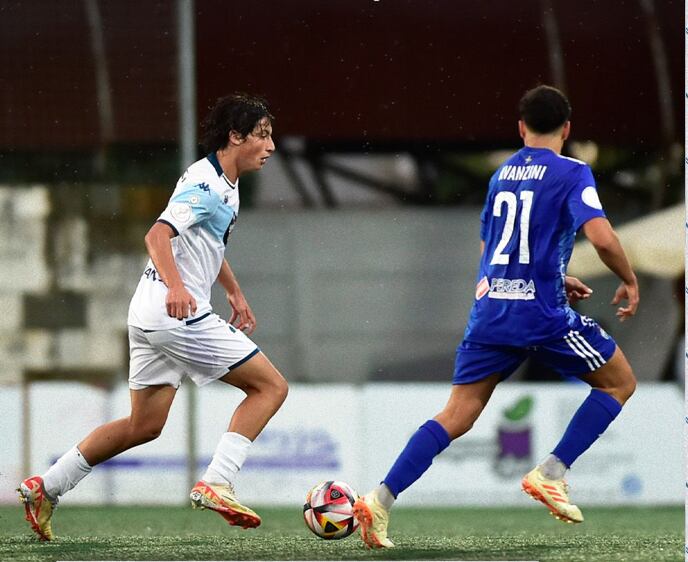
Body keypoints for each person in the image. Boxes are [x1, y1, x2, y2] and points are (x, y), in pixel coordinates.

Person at [353, 85, 639, 548]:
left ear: (521, 127)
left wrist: (554, 273)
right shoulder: (572, 172)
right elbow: (602, 238)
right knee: (619, 382)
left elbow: (492, 248)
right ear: (566, 129)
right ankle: (551, 472)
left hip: (491, 310)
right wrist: (628, 278)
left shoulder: (502, 174)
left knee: (456, 414)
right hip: (541, 315)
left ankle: (379, 500)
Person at [17, 93, 289, 541]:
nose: (271, 145)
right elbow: (157, 235)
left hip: (147, 314)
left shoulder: (224, 183)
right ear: (235, 136)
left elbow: (205, 243)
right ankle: (218, 481)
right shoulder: (206, 185)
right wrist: (178, 288)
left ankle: (46, 487)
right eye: (262, 135)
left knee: (144, 425)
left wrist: (234, 291)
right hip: (173, 311)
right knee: (270, 387)